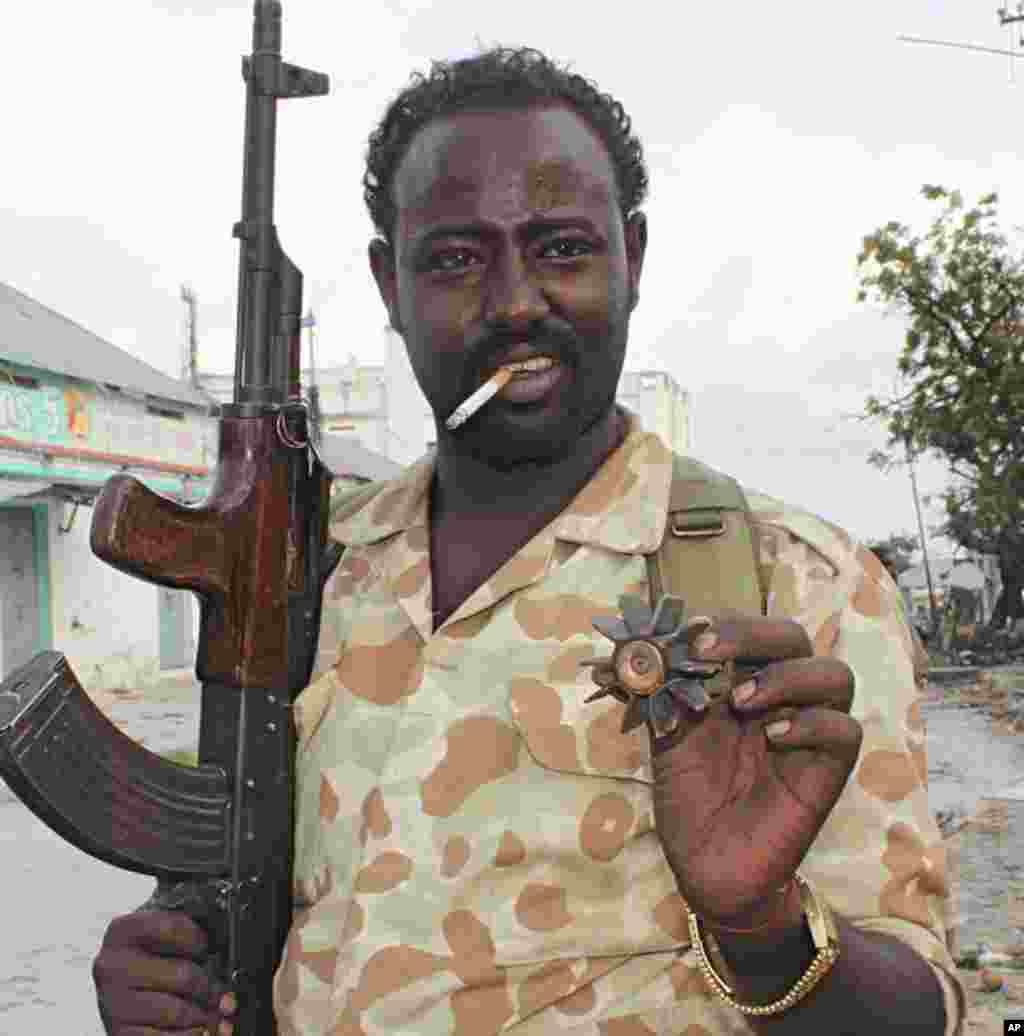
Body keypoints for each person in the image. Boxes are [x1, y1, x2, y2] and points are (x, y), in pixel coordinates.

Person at [92, 47, 965, 1035]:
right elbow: (248, 919)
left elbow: (917, 1013)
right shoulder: (303, 572)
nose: (513, 302)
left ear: (631, 257)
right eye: (458, 257)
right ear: (389, 280)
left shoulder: (796, 587)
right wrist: (173, 969)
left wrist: (762, 927)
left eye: (560, 248)